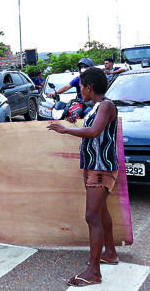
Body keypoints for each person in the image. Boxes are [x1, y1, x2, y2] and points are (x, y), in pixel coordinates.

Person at [46, 67, 119, 287]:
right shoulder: (97, 106)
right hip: (94, 166)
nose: (80, 91)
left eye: (81, 87)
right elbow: (93, 128)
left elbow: (95, 131)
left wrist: (65, 130)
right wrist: (77, 120)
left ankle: (94, 272)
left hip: (100, 167)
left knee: (91, 217)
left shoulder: (105, 105)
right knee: (101, 211)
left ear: (89, 87)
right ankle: (110, 253)